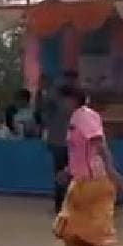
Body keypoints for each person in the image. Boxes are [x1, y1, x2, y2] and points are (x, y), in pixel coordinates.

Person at [49, 85, 123, 246]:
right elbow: (81, 152)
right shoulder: (78, 118)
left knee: (76, 222)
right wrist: (68, 171)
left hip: (93, 181)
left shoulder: (84, 117)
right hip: (86, 179)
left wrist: (112, 172)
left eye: (63, 99)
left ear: (72, 100)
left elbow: (99, 145)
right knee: (78, 224)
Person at [37, 70, 81, 213]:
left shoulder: (70, 98)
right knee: (64, 174)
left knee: (69, 174)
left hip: (66, 142)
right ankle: (62, 205)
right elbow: (44, 114)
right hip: (61, 142)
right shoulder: (58, 97)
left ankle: (67, 204)